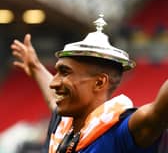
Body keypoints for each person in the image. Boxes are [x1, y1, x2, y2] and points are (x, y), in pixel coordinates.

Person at [11, 15, 168, 153]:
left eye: (65, 72)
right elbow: (53, 99)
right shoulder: (63, 125)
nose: (54, 82)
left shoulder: (121, 131)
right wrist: (37, 68)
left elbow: (157, 113)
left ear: (100, 82)